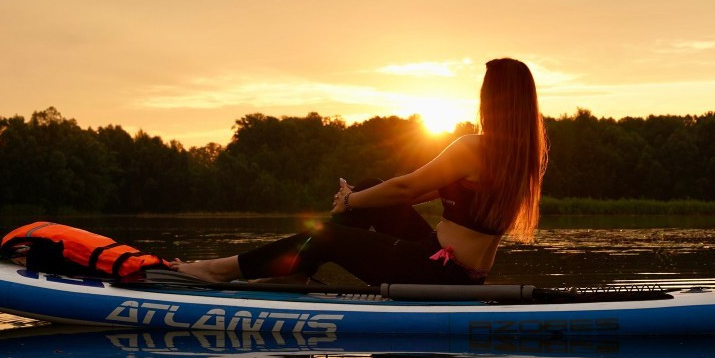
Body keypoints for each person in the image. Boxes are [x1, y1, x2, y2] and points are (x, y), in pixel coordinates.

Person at [174, 57, 547, 285]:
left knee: (330, 236)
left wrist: (349, 200)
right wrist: (361, 198)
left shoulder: (474, 147)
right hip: (460, 273)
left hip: (436, 272)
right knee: (372, 189)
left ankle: (217, 271)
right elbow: (418, 193)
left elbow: (406, 188)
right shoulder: (521, 158)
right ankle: (296, 270)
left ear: (492, 99)